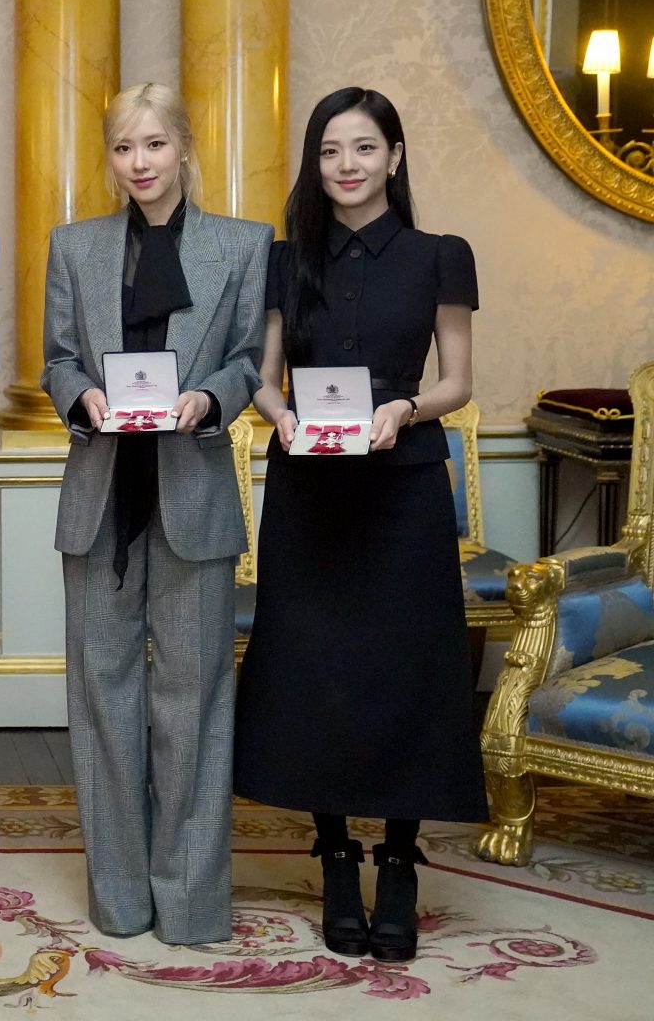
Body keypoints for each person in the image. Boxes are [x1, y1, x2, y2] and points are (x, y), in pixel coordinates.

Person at [235, 87, 484, 964]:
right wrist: (282, 418)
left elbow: (457, 379)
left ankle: (401, 859)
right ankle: (338, 855)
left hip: (403, 484)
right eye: (331, 150)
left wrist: (407, 409)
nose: (347, 165)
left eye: (364, 148)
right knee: (315, 668)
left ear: (395, 156)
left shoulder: (440, 256)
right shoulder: (284, 259)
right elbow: (263, 374)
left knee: (407, 666)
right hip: (309, 488)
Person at [39, 83, 271, 946]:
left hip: (193, 496)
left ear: (185, 147)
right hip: (101, 498)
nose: (139, 164)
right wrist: (83, 394)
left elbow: (250, 359)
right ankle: (122, 899)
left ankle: (191, 902)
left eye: (154, 145)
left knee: (195, 705)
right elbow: (55, 358)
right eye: (123, 149)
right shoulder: (75, 247)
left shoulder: (244, 246)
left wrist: (209, 396)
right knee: (102, 703)